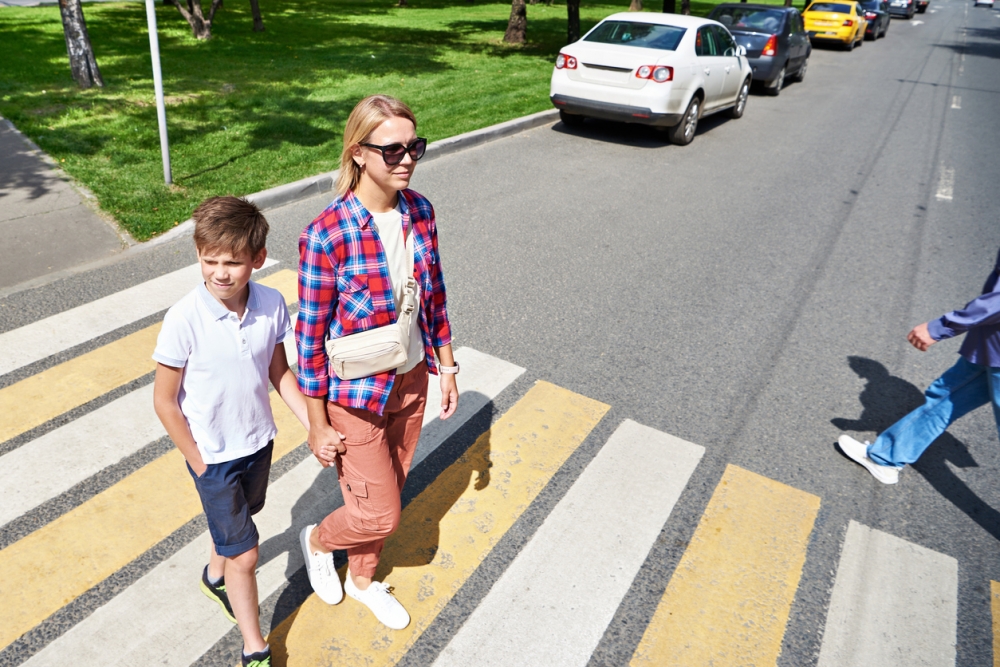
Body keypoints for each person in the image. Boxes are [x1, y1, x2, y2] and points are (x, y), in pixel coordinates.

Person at [295, 94, 459, 630]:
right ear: (359, 153)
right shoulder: (328, 233)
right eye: (392, 150)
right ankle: (319, 541)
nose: (407, 158)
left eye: (415, 147)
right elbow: (310, 337)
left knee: (393, 488)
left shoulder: (421, 212)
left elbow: (433, 296)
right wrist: (316, 423)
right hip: (355, 397)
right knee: (379, 510)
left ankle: (362, 580)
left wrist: (447, 366)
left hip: (411, 380)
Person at [152, 196, 310, 667]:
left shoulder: (271, 303)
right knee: (247, 554)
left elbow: (278, 372)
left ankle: (213, 574)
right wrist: (200, 463)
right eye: (209, 260)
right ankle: (255, 648)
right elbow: (164, 401)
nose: (220, 273)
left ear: (257, 260)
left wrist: (311, 422)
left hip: (258, 442)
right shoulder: (184, 318)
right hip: (213, 458)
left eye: (233, 262)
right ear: (199, 256)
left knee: (244, 519)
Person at [839, 247, 1000, 485]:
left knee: (945, 397)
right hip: (990, 346)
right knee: (944, 396)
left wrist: (942, 326)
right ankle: (885, 458)